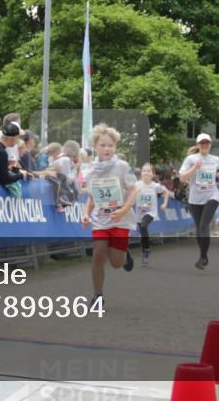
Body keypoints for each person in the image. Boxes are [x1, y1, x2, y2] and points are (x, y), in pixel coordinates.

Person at [81, 124, 137, 309]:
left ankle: (124, 255)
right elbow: (91, 197)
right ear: (96, 147)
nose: (107, 149)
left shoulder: (121, 166)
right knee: (98, 254)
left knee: (115, 263)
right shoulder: (90, 170)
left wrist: (124, 209)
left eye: (111, 145)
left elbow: (134, 189)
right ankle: (97, 297)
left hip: (120, 219)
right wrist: (86, 214)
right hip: (100, 220)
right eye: (103, 145)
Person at [178, 133, 219, 269]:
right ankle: (204, 255)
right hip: (195, 199)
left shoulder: (215, 159)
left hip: (211, 195)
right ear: (197, 145)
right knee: (199, 228)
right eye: (201, 143)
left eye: (206, 143)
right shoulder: (190, 159)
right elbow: (182, 179)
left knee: (204, 225)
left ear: (210, 145)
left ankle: (203, 258)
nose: (204, 145)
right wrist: (194, 168)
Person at [134, 163, 172, 266]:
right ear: (141, 173)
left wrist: (164, 203)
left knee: (143, 225)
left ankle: (146, 251)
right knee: (142, 232)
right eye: (144, 170)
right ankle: (146, 251)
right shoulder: (136, 185)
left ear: (153, 174)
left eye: (148, 171)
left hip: (150, 212)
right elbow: (129, 194)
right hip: (139, 212)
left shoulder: (155, 186)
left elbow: (166, 192)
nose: (146, 172)